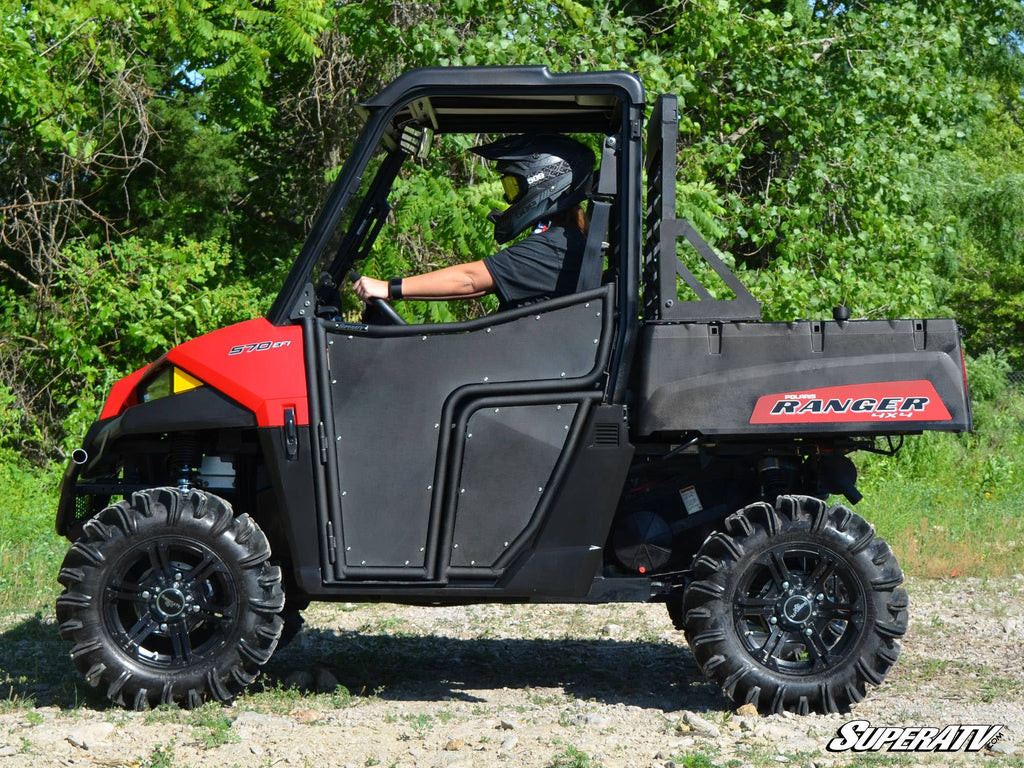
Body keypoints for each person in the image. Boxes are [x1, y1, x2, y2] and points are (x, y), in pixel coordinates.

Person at [352, 133, 595, 312]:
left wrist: (389, 288)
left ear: (543, 181)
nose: (506, 198)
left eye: (512, 187)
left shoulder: (555, 248)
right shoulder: (564, 241)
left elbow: (470, 280)